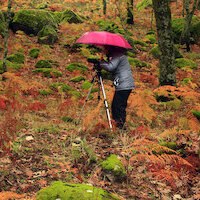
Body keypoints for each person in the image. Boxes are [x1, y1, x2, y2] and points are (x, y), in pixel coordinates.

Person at [100, 45, 135, 129]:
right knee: (117, 106)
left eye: (105, 48)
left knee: (118, 106)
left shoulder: (117, 55)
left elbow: (110, 67)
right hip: (125, 84)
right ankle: (118, 124)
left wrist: (101, 62)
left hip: (124, 85)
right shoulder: (118, 55)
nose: (104, 50)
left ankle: (120, 126)